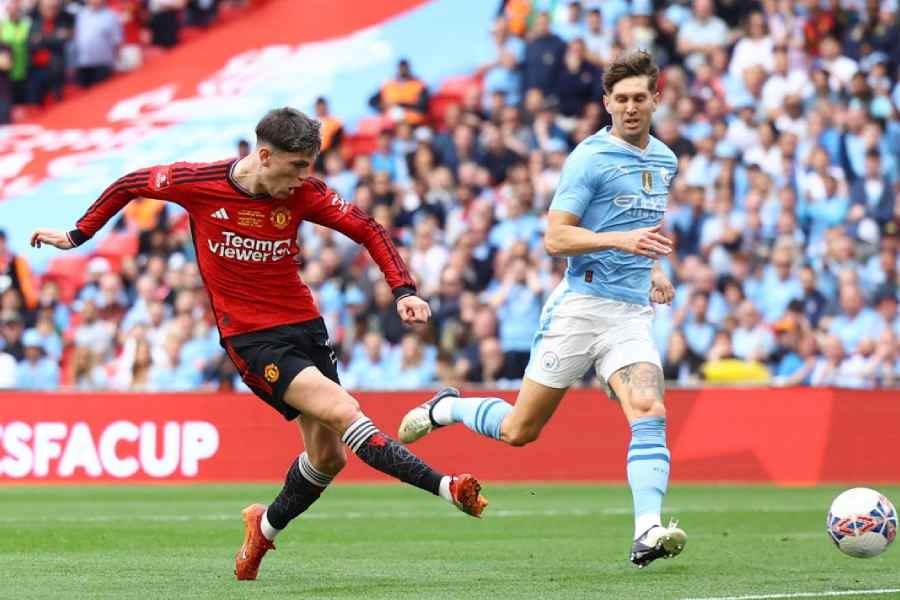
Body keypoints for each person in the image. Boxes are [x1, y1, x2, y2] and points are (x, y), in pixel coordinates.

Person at [30, 107, 488, 581]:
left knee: (328, 457)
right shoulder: (198, 182)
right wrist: (78, 234)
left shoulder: (305, 194)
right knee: (343, 410)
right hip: (252, 340)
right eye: (297, 166)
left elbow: (367, 229)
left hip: (305, 327)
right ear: (264, 156)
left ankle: (262, 531)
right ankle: (447, 486)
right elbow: (130, 183)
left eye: (310, 166)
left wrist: (403, 290)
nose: (305, 178)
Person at [398, 50, 686, 568]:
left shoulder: (665, 161)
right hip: (580, 307)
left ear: (656, 100)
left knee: (650, 410)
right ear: (606, 103)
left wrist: (655, 269)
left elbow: (644, 227)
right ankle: (448, 407)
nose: (630, 107)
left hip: (629, 314)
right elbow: (555, 237)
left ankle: (647, 531)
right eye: (620, 99)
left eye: (640, 97)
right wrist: (623, 243)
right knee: (519, 432)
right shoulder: (589, 158)